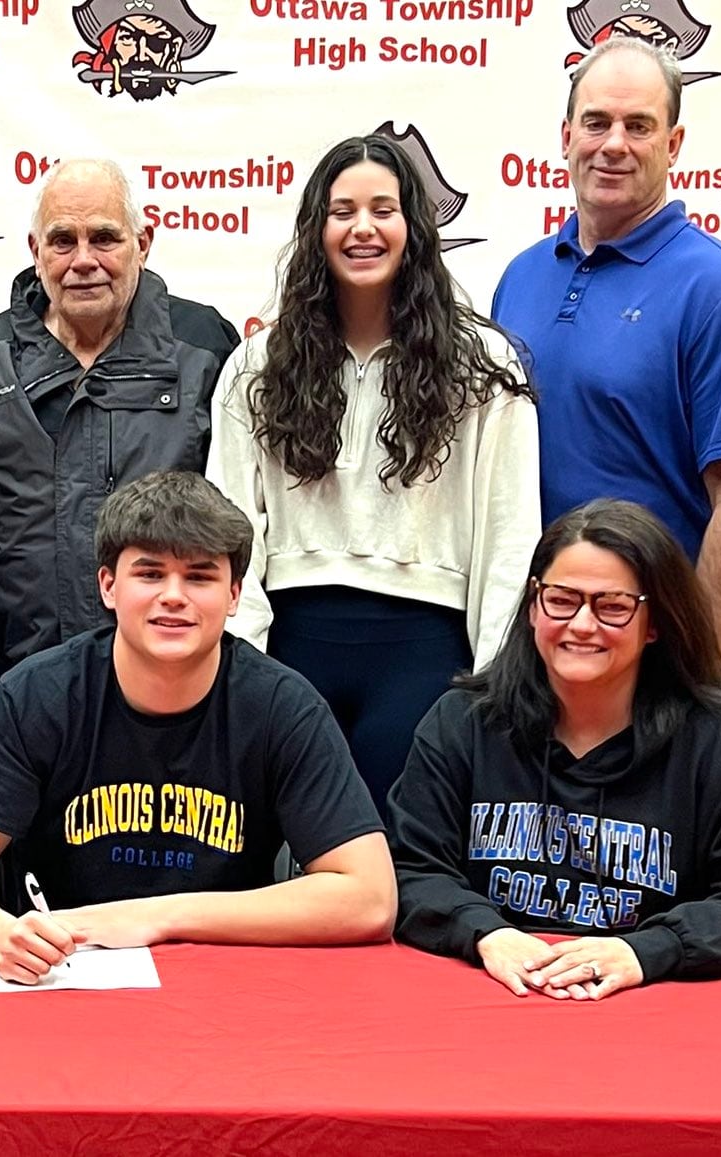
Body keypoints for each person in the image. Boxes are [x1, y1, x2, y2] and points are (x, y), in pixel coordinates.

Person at [0, 471, 396, 984]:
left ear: (233, 595)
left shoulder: (283, 707)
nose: (173, 596)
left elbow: (370, 897)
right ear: (108, 586)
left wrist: (155, 917)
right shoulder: (37, 695)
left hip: (225, 981)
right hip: (59, 978)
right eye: (150, 574)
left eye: (200, 576)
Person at [207, 135, 540, 816]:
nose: (362, 227)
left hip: (427, 655)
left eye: (383, 209)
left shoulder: (483, 365)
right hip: (291, 649)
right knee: (282, 868)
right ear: (315, 230)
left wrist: (493, 681)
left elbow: (511, 537)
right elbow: (229, 526)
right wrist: (241, 667)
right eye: (342, 211)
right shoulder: (255, 365)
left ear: (414, 228)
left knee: (401, 870)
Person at [385, 499, 721, 1000]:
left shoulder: (713, 740)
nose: (582, 625)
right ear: (533, 605)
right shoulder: (463, 723)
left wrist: (649, 949)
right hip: (491, 995)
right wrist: (486, 932)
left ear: (655, 622)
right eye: (562, 600)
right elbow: (406, 868)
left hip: (648, 1010)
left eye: (612, 606)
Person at [492, 38, 721, 660]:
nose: (614, 144)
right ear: (567, 135)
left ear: (673, 144)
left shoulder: (715, 289)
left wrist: (696, 677)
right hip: (531, 640)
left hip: (647, 649)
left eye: (639, 126)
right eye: (597, 122)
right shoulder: (520, 278)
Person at [0, 158, 239, 670]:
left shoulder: (205, 351)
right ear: (36, 251)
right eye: (63, 240)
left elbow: (251, 511)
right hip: (18, 679)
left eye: (105, 238)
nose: (83, 260)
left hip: (178, 677)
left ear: (143, 242)